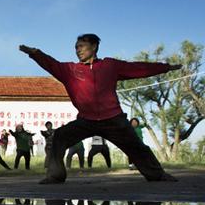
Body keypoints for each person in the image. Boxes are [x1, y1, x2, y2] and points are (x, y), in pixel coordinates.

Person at [19, 34, 180, 184]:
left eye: (81, 46)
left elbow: (137, 68)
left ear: (94, 47)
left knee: (137, 147)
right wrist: (34, 53)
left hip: (113, 119)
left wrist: (165, 67)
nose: (78, 50)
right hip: (86, 120)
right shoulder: (69, 70)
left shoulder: (110, 65)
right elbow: (50, 63)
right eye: (76, 47)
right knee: (59, 136)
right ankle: (55, 175)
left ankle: (158, 175)